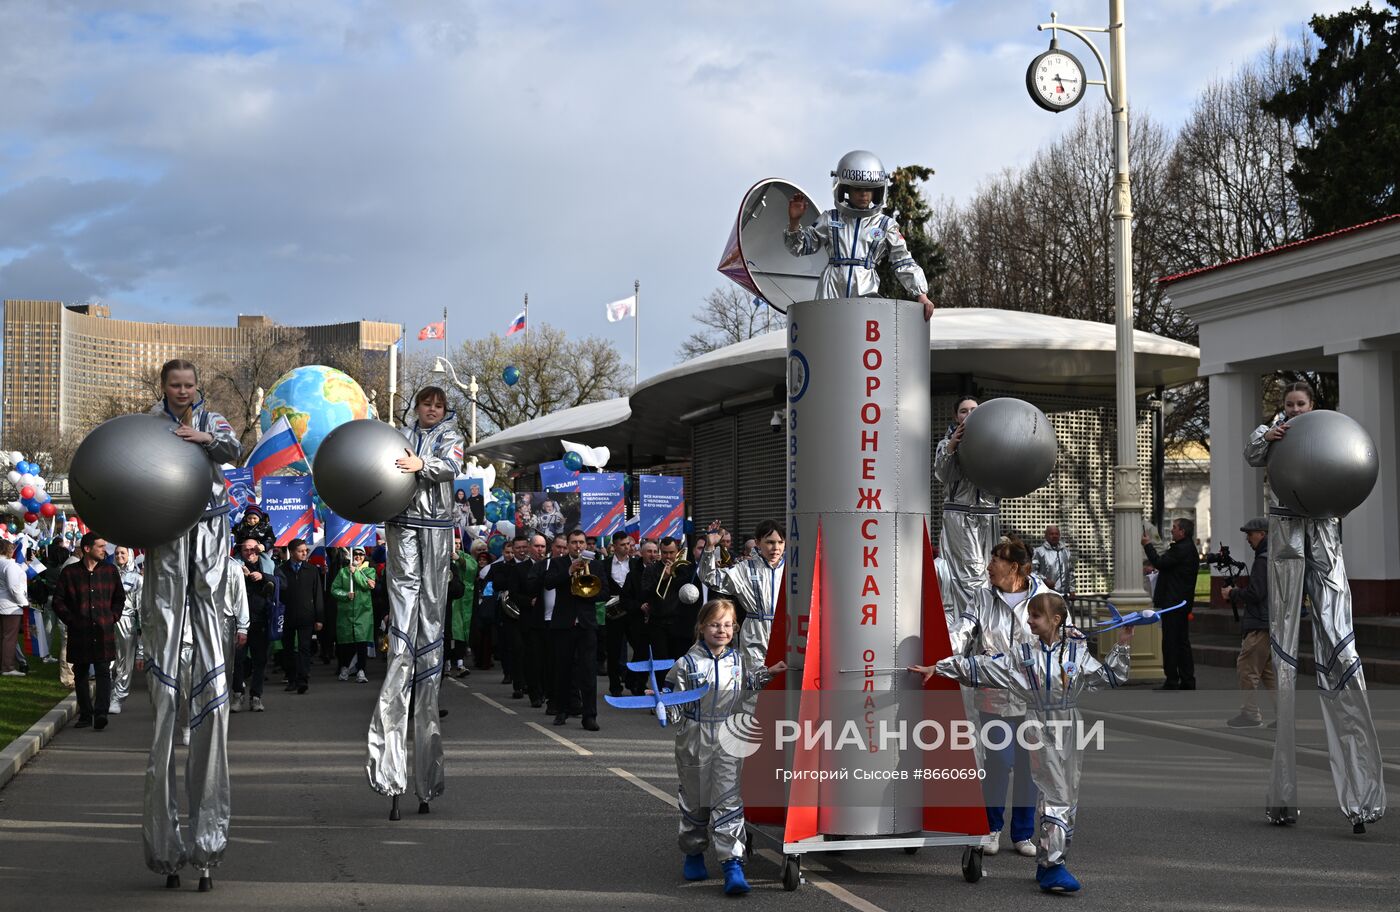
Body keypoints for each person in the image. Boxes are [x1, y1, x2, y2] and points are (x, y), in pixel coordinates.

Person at [915, 592, 1132, 894]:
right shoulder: (1022, 654)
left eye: (1035, 616)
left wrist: (1123, 642)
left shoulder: (1076, 652)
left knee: (1066, 795)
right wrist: (939, 667)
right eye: (1029, 615)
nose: (1028, 621)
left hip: (1069, 726)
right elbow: (982, 666)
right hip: (1039, 726)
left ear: (1055, 620)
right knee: (1056, 793)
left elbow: (1108, 676)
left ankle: (1047, 862)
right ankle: (1054, 866)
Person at [1245, 381, 1384, 830]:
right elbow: (1251, 453)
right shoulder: (1275, 433)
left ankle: (1362, 794)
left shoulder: (1327, 432)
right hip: (1286, 534)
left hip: (1323, 534)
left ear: (1314, 406)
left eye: (1300, 404)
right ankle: (1282, 795)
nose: (1293, 410)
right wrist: (1267, 436)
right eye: (1288, 404)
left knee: (1340, 647)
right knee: (1284, 654)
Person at [139, 358, 240, 890]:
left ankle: (208, 838)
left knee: (210, 686)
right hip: (167, 542)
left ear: (198, 387)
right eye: (174, 385)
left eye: (189, 385)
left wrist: (200, 436)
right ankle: (164, 842)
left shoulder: (214, 420)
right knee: (164, 688)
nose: (182, 392)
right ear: (163, 388)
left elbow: (233, 451)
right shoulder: (150, 423)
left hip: (207, 541)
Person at [367, 385, 463, 818]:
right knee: (402, 642)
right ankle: (389, 772)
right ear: (417, 407)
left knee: (430, 640)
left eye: (438, 405)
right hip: (403, 528)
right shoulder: (399, 434)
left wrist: (422, 463)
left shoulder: (450, 436)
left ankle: (426, 774)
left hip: (437, 532)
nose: (432, 410)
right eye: (427, 404)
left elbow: (450, 466)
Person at [662, 598, 785, 895]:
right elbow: (673, 701)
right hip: (695, 737)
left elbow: (747, 684)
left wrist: (770, 672)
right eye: (715, 624)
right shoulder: (686, 664)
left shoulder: (737, 659)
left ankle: (733, 865)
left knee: (728, 799)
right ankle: (693, 851)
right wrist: (664, 706)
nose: (722, 630)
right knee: (696, 801)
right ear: (702, 627)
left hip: (729, 734)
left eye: (728, 625)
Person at [945, 537, 1050, 857]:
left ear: (1014, 568)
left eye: (996, 560)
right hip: (994, 693)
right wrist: (941, 657)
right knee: (998, 762)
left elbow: (1059, 638)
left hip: (1034, 697)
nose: (989, 566)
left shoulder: (1045, 597)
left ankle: (1022, 833)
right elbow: (962, 632)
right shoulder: (982, 597)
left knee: (1029, 766)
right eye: (990, 559)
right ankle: (991, 827)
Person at [783, 149, 936, 320]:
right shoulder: (830, 219)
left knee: (861, 338)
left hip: (865, 288)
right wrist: (794, 222)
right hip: (831, 287)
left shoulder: (886, 225)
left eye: (868, 189)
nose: (863, 194)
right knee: (828, 338)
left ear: (877, 191)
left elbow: (902, 260)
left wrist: (921, 294)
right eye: (857, 189)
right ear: (845, 189)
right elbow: (800, 247)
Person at [935, 397, 1000, 621]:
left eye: (974, 410)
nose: (969, 414)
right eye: (964, 411)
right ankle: (971, 629)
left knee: (992, 573)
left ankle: (987, 628)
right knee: (970, 576)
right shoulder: (947, 444)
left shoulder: (996, 439)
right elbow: (943, 474)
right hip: (961, 514)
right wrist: (953, 444)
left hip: (989, 516)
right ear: (956, 417)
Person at [53, 533, 124, 730]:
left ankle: (101, 712)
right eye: (100, 546)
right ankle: (85, 714)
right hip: (80, 630)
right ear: (87, 549)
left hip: (103, 630)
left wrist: (112, 617)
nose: (105, 550)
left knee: (103, 671)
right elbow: (58, 601)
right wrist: (72, 620)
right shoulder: (70, 573)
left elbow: (119, 598)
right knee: (81, 672)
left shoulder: (110, 571)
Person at [698, 519, 785, 676]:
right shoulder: (744, 569)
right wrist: (710, 546)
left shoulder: (793, 569)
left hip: (786, 631)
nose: (776, 548)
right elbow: (710, 577)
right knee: (753, 686)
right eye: (770, 542)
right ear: (758, 543)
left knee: (786, 684)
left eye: (780, 542)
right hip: (754, 634)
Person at [543, 528, 602, 731]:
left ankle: (589, 715)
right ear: (567, 545)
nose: (578, 546)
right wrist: (568, 572)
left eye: (581, 542)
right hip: (563, 624)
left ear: (586, 544)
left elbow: (604, 593)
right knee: (563, 669)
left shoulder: (594, 564)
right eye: (574, 542)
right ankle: (562, 710)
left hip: (586, 625)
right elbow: (548, 583)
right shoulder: (558, 563)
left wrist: (587, 591)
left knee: (588, 671)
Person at [1221, 518, 1275, 728]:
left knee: (1247, 668)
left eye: (1250, 534)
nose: (1247, 538)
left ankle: (1250, 714)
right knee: (1268, 673)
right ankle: (1285, 715)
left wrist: (1233, 593)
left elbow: (1256, 593)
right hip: (1270, 622)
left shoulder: (1263, 559)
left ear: (1262, 534)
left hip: (1259, 623)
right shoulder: (1274, 555)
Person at [1141, 518, 1200, 691]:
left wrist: (1147, 545)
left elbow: (1160, 562)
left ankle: (1172, 680)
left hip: (1173, 603)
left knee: (1171, 643)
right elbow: (1171, 569)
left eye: (1174, 528)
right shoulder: (1187, 548)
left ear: (1182, 532)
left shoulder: (1180, 549)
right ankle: (1187, 680)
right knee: (1182, 642)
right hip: (1181, 602)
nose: (1171, 530)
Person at [276, 539, 323, 694]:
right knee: (288, 649)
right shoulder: (281, 570)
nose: (304, 553)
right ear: (291, 552)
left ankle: (303, 679)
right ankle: (291, 679)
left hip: (306, 615)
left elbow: (318, 595)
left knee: (304, 648)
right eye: (300, 551)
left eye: (305, 550)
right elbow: (277, 595)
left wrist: (319, 618)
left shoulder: (311, 570)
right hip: (287, 615)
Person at [235, 539, 274, 712]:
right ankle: (237, 694)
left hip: (260, 622)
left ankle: (256, 697)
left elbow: (283, 583)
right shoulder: (234, 567)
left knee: (260, 660)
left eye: (254, 549)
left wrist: (263, 577)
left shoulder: (267, 565)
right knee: (237, 660)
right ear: (240, 552)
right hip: (237, 623)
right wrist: (238, 576)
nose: (250, 553)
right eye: (246, 550)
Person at [603, 530, 642, 696]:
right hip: (612, 613)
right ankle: (615, 686)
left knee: (640, 648)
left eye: (628, 544)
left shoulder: (636, 563)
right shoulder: (605, 564)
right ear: (614, 546)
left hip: (632, 612)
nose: (627, 547)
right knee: (613, 651)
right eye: (623, 545)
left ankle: (632, 679)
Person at [332, 547, 376, 683]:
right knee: (346, 644)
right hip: (346, 614)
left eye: (361, 554)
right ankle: (344, 668)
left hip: (363, 613)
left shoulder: (369, 571)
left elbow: (366, 585)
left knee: (361, 643)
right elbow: (334, 589)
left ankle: (361, 670)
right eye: (355, 554)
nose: (358, 556)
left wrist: (355, 572)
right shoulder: (343, 572)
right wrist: (346, 595)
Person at [108, 547, 143, 712]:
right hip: (107, 621)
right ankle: (106, 693)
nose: (119, 556)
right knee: (106, 660)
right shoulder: (108, 574)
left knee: (123, 662)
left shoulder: (136, 579)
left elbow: (141, 610)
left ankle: (118, 697)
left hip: (127, 622)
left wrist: (141, 644)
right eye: (116, 553)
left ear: (130, 555)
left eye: (123, 553)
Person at [219, 551, 249, 710]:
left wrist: (243, 628)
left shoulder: (233, 567)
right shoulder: (197, 564)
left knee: (225, 665)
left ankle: (222, 702)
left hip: (226, 620)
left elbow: (240, 598)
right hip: (200, 619)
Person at [447, 541, 478, 679]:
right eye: (454, 543)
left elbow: (473, 569)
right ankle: (446, 664)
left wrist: (459, 559)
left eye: (459, 543)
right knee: (448, 632)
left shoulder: (465, 557)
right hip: (447, 599)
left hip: (462, 599)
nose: (457, 545)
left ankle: (460, 663)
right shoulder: (441, 556)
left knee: (459, 632)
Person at [0, 540, 30, 676]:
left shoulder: (6, 564)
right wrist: (24, 602)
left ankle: (5, 665)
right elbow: (14, 588)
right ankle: (7, 667)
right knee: (9, 638)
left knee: (4, 637)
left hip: (4, 604)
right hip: (10, 606)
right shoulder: (8, 564)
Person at [1032, 525, 1075, 597]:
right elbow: (1033, 572)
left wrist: (1072, 590)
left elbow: (1071, 572)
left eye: (1056, 534)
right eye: (1051, 534)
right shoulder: (1039, 552)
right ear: (1046, 536)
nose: (1054, 536)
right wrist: (1044, 580)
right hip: (1047, 595)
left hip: (1064, 596)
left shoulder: (1066, 552)